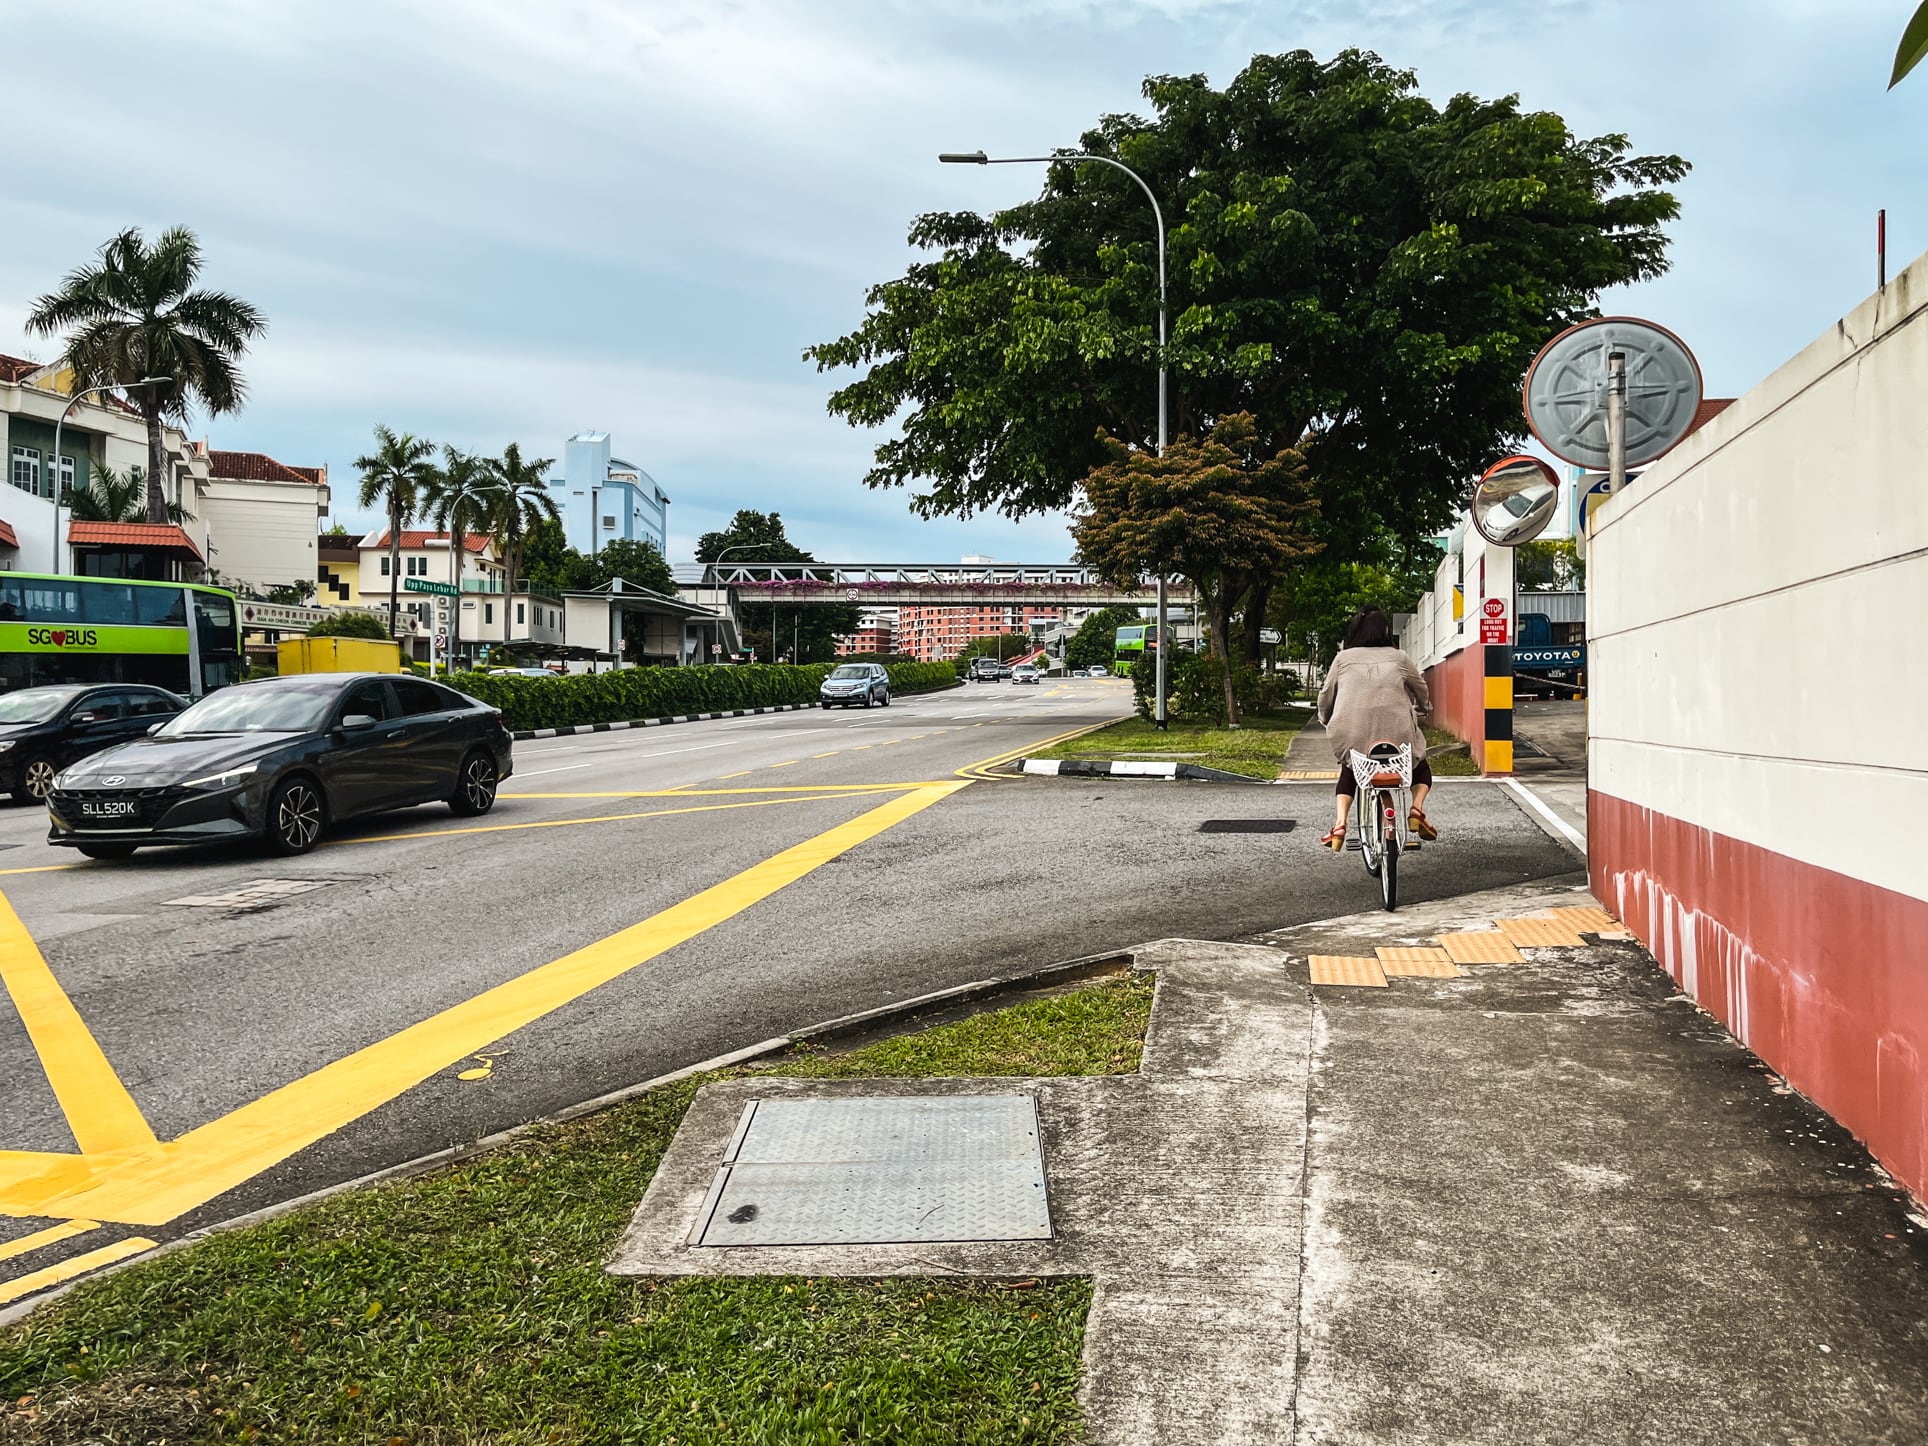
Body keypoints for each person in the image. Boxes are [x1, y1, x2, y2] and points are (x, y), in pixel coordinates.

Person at [1316, 606, 1437, 851]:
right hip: (1398, 735)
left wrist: (1324, 716)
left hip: (1352, 733)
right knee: (1420, 767)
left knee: (1350, 768)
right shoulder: (1399, 657)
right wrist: (1424, 707)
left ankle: (1339, 825)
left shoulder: (1343, 659)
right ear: (1385, 631)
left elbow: (1326, 694)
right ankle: (1416, 810)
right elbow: (1420, 686)